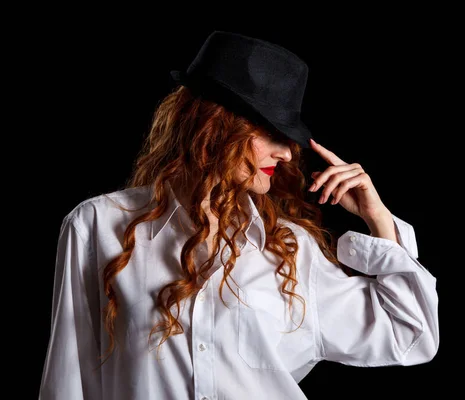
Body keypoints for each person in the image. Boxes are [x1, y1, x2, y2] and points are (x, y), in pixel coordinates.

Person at [39, 30, 439, 400]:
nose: (286, 154)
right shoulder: (98, 226)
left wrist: (378, 218)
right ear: (216, 126)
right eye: (273, 134)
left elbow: (409, 333)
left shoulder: (290, 250)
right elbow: (67, 381)